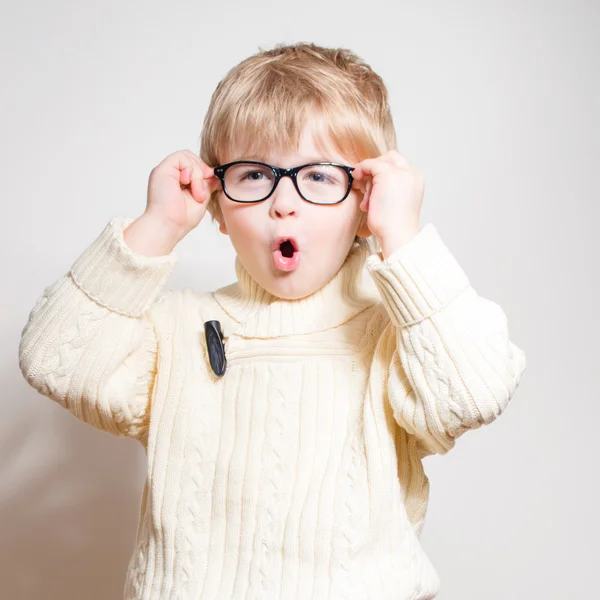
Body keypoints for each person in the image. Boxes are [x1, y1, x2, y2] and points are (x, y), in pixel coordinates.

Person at [18, 42, 527, 600]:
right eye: (255, 175)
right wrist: (157, 225)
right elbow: (52, 360)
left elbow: (474, 392)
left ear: (364, 202)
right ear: (217, 202)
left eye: (319, 177)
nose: (283, 203)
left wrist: (402, 238)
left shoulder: (392, 334)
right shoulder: (176, 331)